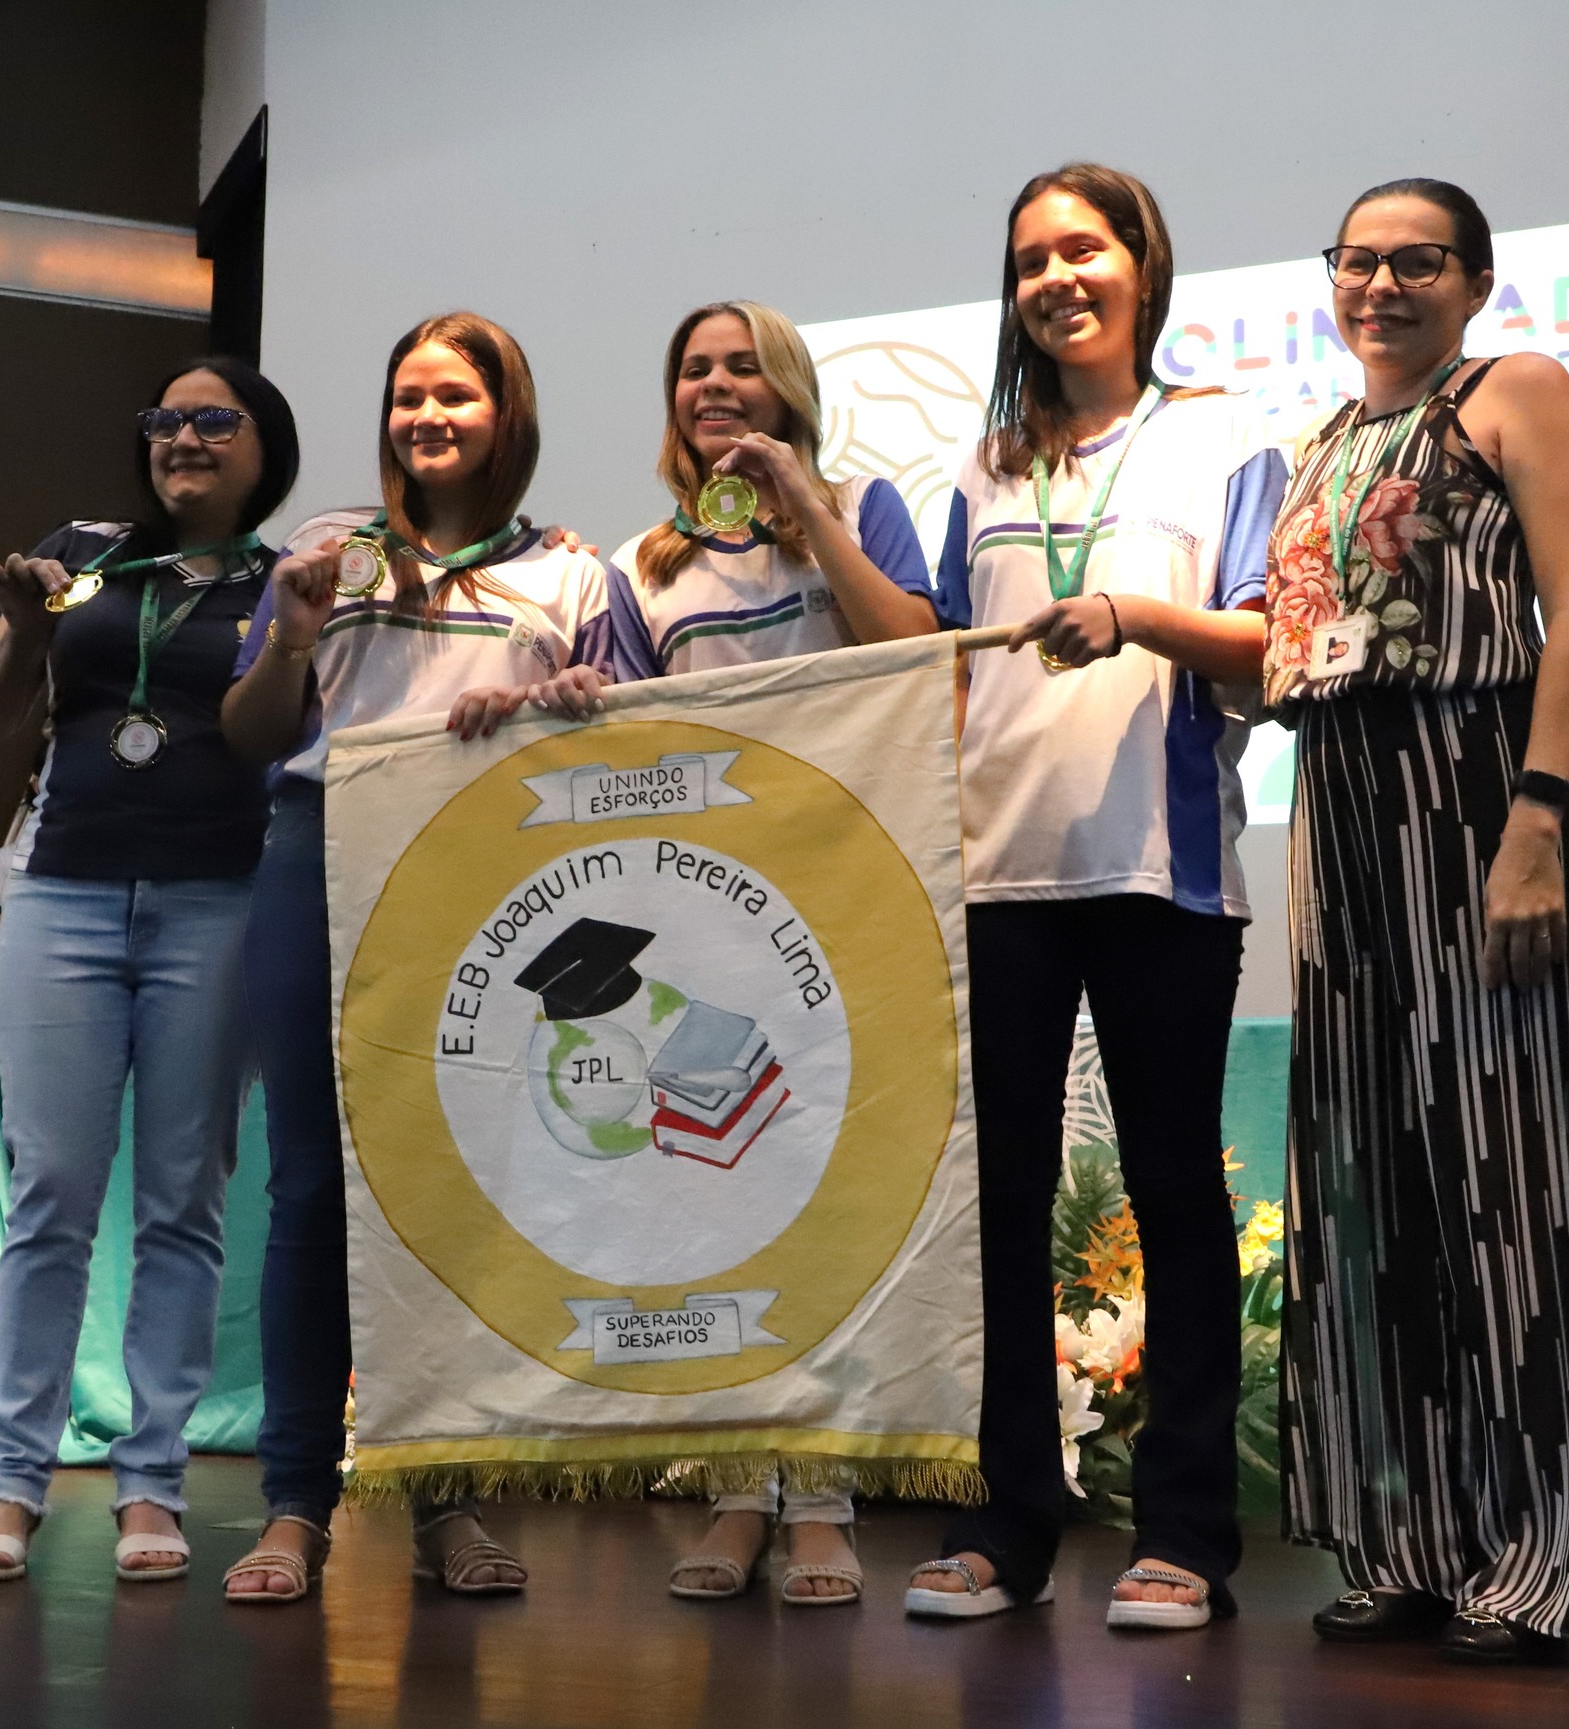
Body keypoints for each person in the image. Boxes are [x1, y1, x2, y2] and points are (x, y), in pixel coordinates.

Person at [1266, 178, 1569, 1663]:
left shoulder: (1516, 389)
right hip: (1342, 815)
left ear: (1476, 280)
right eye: (1356, 261)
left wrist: (1537, 819)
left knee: (1515, 1180)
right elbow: (1291, 650)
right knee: (1370, 1185)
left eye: (1416, 260)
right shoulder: (1318, 443)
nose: (1379, 284)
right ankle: (1411, 1544)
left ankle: (1546, 1561)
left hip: (1481, 796)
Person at [902, 164, 1285, 1630]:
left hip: (1159, 869)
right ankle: (1007, 1523)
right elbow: (945, 667)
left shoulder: (1226, 434)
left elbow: (1269, 649)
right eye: (1029, 261)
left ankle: (1182, 1535)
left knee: (1173, 1190)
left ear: (1143, 266)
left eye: (1082, 250)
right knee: (997, 1204)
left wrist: (1130, 617)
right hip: (995, 874)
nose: (1055, 279)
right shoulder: (985, 465)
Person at [526, 299, 937, 1605]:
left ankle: (823, 1502)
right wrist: (583, 694)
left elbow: (913, 647)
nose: (715, 384)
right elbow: (631, 734)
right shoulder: (642, 562)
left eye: (742, 366)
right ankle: (735, 1491)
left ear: (789, 389)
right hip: (710, 911)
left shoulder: (864, 507)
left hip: (848, 889)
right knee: (714, 1193)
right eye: (694, 369)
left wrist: (800, 500)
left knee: (826, 1193)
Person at [219, 311, 616, 1604]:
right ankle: (295, 1505)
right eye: (408, 395)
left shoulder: (570, 572)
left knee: (455, 1194)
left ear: (507, 416)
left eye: (455, 395)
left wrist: (571, 707)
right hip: (316, 860)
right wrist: (290, 633)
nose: (426, 416)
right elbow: (252, 733)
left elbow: (622, 749)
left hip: (486, 886)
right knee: (308, 1191)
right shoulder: (327, 546)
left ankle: (452, 1501)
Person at [0, 355, 301, 1583]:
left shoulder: (279, 579)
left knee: (182, 1201)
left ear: (265, 449)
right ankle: (11, 1481)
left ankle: (152, 1482)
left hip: (218, 900)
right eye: (165, 418)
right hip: (63, 895)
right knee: (50, 1192)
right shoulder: (85, 554)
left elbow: (277, 733)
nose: (181, 437)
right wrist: (19, 626)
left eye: (213, 420)